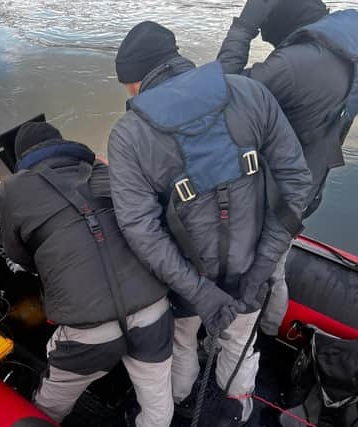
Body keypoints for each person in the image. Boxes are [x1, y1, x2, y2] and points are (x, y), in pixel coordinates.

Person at [108, 21, 312, 425]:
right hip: (252, 265)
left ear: (134, 82)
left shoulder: (128, 135)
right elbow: (297, 185)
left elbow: (140, 230)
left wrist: (199, 292)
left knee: (182, 341)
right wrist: (259, 269)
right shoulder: (251, 92)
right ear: (176, 56)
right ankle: (236, 408)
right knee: (240, 343)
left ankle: (181, 396)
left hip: (185, 283)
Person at [217, 0, 358, 341]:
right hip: (307, 183)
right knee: (276, 266)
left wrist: (243, 28)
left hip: (273, 193)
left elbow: (221, 93)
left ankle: (244, 340)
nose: (265, 39)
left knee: (253, 269)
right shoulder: (343, 47)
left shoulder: (295, 64)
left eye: (266, 28)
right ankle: (271, 331)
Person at [0, 121, 174, 427]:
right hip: (153, 310)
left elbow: (17, 255)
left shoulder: (12, 189)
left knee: (51, 402)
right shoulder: (103, 171)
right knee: (157, 399)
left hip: (90, 331)